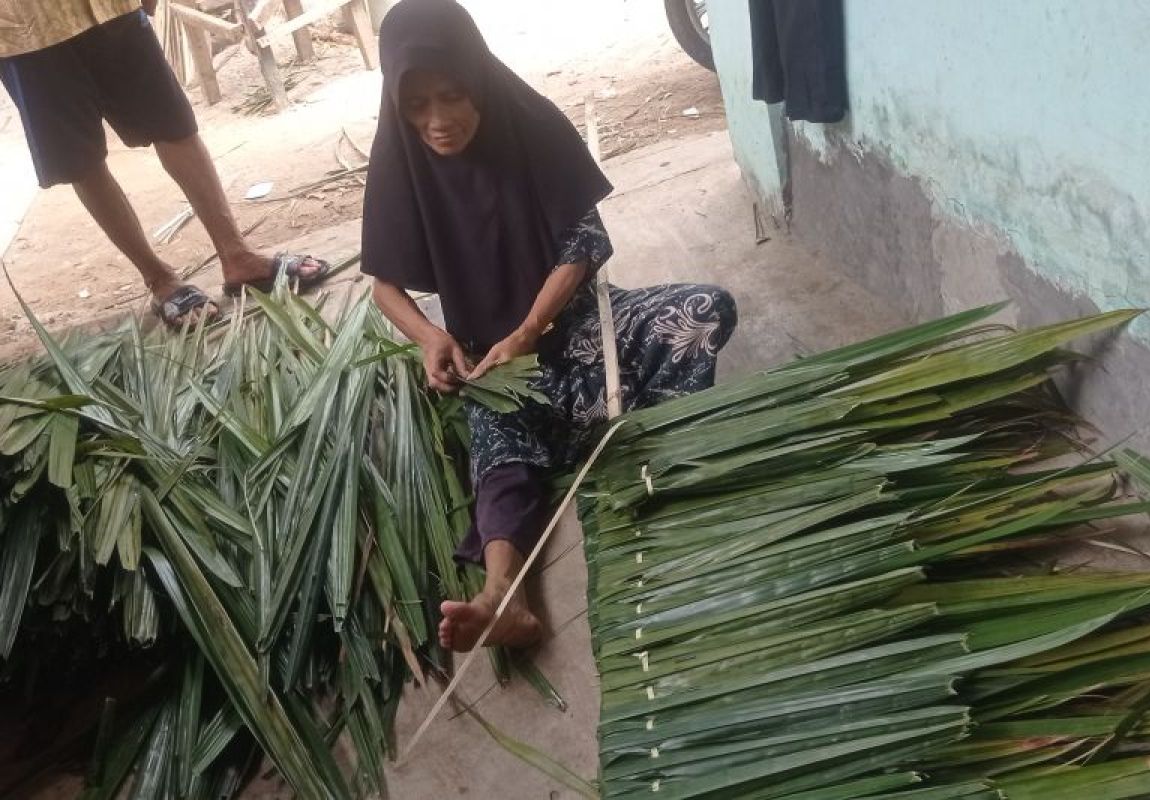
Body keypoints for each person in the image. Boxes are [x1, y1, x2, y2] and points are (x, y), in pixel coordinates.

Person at [362, 0, 737, 652]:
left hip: (579, 328)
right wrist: (431, 339)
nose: (437, 121)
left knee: (702, 310)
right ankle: (502, 597)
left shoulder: (528, 122)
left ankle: (651, 451)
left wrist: (532, 326)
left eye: (452, 96)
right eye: (417, 104)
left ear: (477, 79)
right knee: (497, 451)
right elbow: (383, 285)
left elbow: (586, 241)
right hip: (497, 362)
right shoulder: (402, 155)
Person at [0, 0, 330, 327]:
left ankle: (237, 256)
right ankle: (159, 279)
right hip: (21, 34)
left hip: (110, 8)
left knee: (174, 125)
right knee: (81, 161)